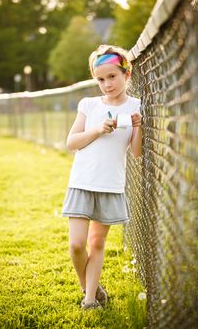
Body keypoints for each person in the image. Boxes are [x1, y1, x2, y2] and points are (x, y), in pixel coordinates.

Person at [62, 44, 142, 310]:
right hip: (82, 182)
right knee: (76, 245)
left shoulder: (135, 106)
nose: (106, 84)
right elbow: (72, 142)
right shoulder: (89, 105)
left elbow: (137, 152)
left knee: (97, 242)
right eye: (100, 79)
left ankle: (89, 300)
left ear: (126, 74)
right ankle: (90, 287)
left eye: (112, 77)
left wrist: (139, 127)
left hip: (110, 184)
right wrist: (97, 130)